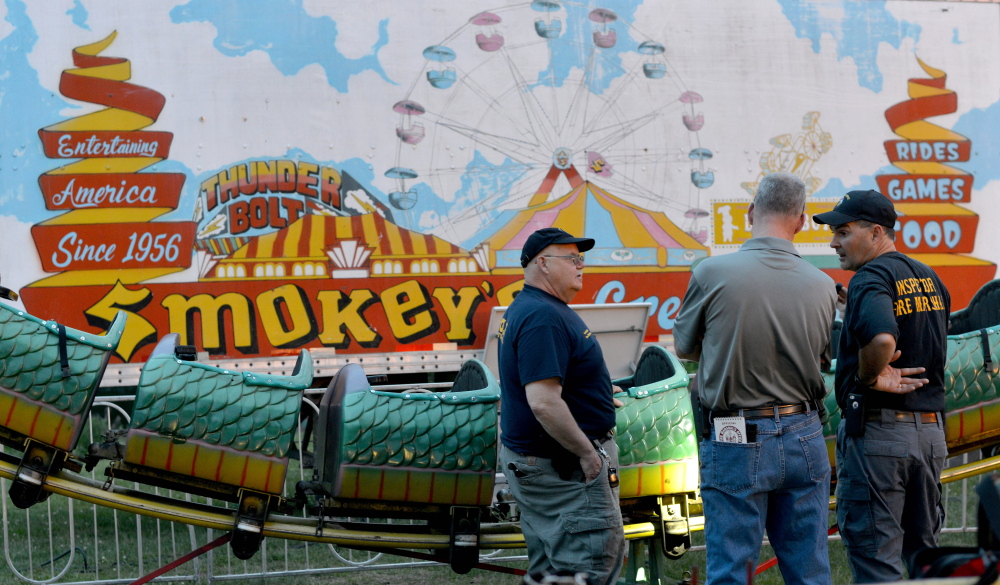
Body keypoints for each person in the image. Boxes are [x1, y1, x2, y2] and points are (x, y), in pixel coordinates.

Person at [672, 172, 836, 585]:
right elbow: (821, 356)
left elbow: (685, 348)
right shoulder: (822, 285)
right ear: (800, 221)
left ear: (749, 212)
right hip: (805, 429)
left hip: (734, 428)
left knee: (732, 568)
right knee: (810, 568)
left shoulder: (711, 272)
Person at [813, 189, 950, 582]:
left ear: (875, 232)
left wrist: (868, 375)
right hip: (929, 436)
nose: (833, 242)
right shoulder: (928, 276)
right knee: (924, 558)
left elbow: (884, 340)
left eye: (842, 231)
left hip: (880, 439)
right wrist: (850, 310)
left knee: (878, 564)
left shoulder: (870, 278)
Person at [498, 227, 625, 585]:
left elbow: (546, 385)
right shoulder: (543, 317)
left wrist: (592, 391)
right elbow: (542, 402)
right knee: (588, 568)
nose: (581, 266)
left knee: (553, 574)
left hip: (545, 468)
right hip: (564, 471)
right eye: (572, 259)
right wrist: (588, 455)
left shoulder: (533, 307)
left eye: (581, 258)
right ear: (543, 263)